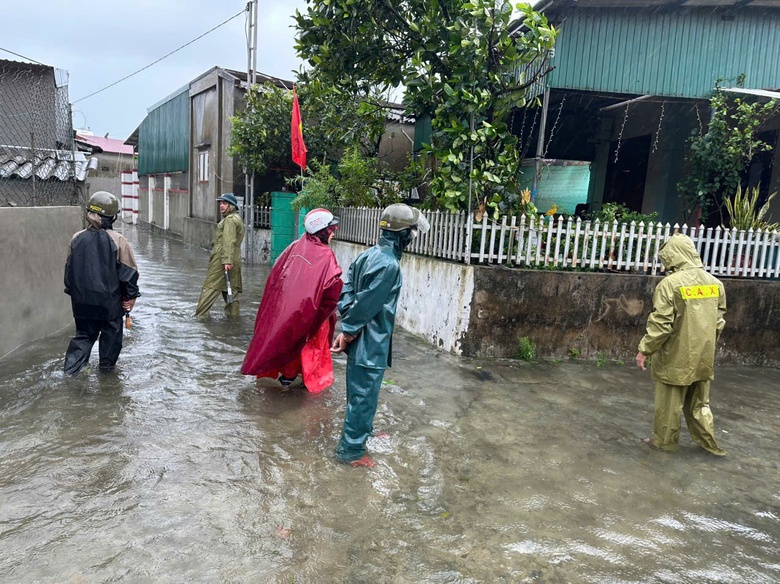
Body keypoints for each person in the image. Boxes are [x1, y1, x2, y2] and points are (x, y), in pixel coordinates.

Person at [332, 203, 430, 467]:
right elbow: (367, 304)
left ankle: (364, 432)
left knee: (361, 394)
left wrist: (347, 322)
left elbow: (348, 289)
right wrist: (349, 332)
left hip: (363, 341)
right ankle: (351, 453)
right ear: (402, 235)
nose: (413, 236)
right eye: (411, 231)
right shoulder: (390, 266)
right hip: (370, 343)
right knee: (363, 398)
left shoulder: (367, 255)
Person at [636, 233, 727, 456]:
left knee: (669, 404)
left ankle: (664, 442)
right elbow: (719, 321)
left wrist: (644, 350)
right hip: (703, 355)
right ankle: (709, 443)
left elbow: (661, 324)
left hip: (675, 356)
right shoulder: (715, 284)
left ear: (674, 256)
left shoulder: (669, 285)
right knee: (700, 403)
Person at [241, 208, 343, 392]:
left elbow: (275, 280)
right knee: (311, 354)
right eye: (331, 229)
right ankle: (306, 397)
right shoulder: (325, 255)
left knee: (290, 347)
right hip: (313, 318)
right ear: (322, 231)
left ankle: (287, 384)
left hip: (290, 313)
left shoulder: (295, 246)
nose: (333, 233)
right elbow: (332, 292)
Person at [64, 191, 140, 374]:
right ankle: (106, 376)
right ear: (112, 216)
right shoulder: (118, 240)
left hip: (82, 304)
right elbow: (129, 274)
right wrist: (130, 297)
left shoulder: (76, 238)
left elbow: (68, 276)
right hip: (110, 306)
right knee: (111, 342)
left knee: (82, 338)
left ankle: (71, 373)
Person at [195, 193, 245, 317]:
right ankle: (234, 321)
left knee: (210, 288)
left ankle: (200, 316)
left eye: (225, 203)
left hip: (223, 261)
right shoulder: (236, 218)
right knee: (231, 293)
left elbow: (229, 241)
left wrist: (227, 261)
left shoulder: (229, 220)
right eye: (221, 203)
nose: (221, 206)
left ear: (232, 205)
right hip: (234, 259)